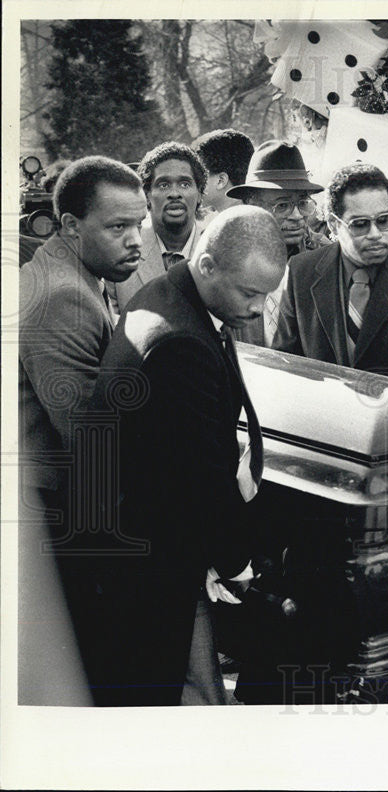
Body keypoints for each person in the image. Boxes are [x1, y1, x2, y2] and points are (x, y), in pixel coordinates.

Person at [79, 206, 288, 706]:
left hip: (144, 542)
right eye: (250, 293)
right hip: (146, 558)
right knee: (161, 699)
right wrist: (235, 563)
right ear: (209, 265)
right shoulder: (179, 344)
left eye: (267, 294)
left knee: (195, 689)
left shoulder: (167, 295)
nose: (259, 309)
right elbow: (198, 478)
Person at [18, 156, 147, 704]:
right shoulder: (63, 299)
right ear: (70, 225)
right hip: (53, 520)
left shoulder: (70, 273)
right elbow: (92, 441)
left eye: (138, 224)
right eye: (118, 227)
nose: (136, 241)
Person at [271, 163, 388, 376]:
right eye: (360, 224)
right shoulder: (301, 271)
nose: (375, 234)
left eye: (384, 220)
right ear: (333, 224)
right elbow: (285, 364)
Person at [226, 139, 328, 346]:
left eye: (303, 203)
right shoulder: (226, 263)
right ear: (251, 205)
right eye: (283, 206)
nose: (297, 216)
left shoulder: (326, 258)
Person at [106, 141, 206, 315]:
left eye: (185, 184)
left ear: (199, 194)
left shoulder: (220, 252)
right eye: (163, 185)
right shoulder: (119, 252)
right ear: (146, 196)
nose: (175, 194)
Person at [192, 128, 256, 217]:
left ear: (220, 181)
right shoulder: (255, 217)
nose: (193, 184)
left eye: (198, 176)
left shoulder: (231, 225)